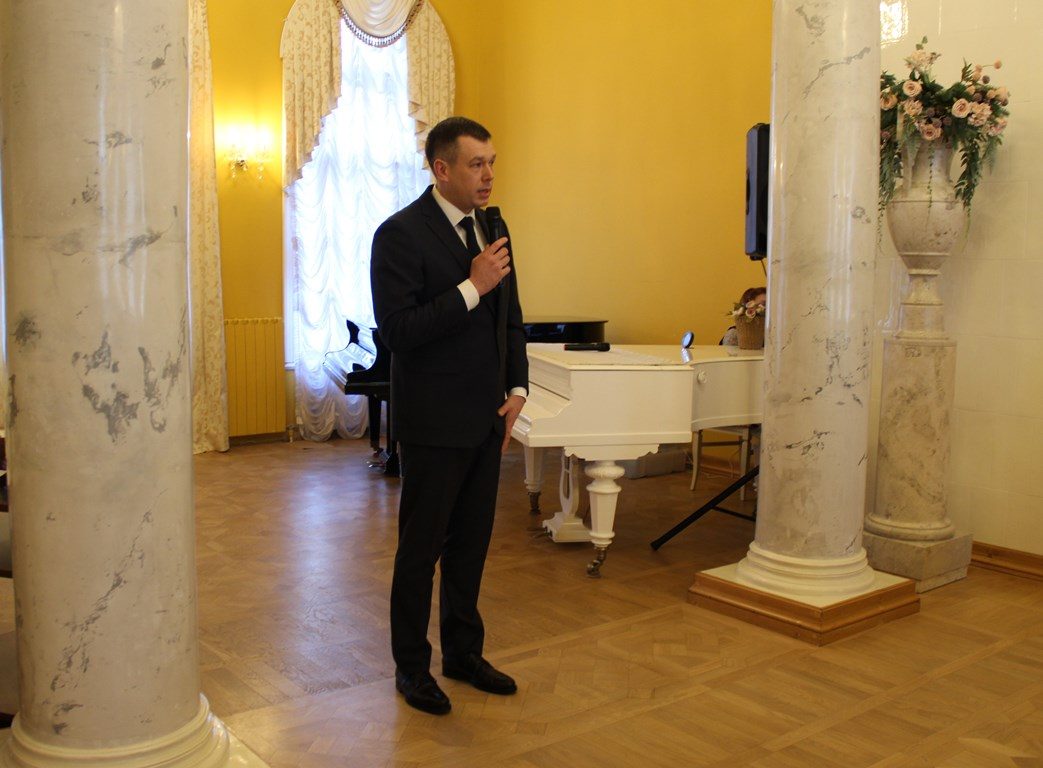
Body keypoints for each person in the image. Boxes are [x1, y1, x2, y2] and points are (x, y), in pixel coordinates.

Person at [370, 116, 528, 716]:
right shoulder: (399, 235)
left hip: (487, 418)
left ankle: (463, 654)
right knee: (421, 552)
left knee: (470, 548)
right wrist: (471, 286)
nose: (488, 175)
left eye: (492, 163)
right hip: (434, 425)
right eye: (476, 164)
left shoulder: (494, 225)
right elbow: (398, 332)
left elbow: (511, 315)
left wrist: (517, 388)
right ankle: (411, 668)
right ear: (441, 169)